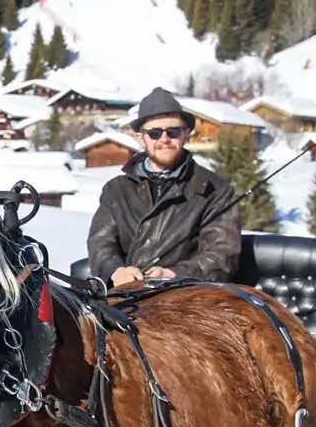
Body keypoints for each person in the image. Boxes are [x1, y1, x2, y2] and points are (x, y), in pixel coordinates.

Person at [86, 87, 241, 288]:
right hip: (122, 296)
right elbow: (101, 242)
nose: (164, 139)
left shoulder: (216, 191)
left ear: (186, 135)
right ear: (140, 137)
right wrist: (116, 271)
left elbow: (222, 255)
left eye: (173, 132)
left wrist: (174, 274)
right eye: (154, 133)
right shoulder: (116, 190)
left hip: (185, 298)